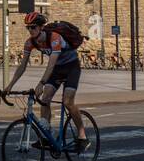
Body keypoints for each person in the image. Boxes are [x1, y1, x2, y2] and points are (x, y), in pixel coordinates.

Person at [5, 11, 89, 151]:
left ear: (41, 27)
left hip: (71, 68)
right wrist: (9, 85)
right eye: (28, 28)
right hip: (57, 70)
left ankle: (82, 136)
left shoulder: (54, 37)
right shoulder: (30, 42)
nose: (30, 30)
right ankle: (46, 137)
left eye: (33, 27)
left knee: (68, 101)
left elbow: (51, 63)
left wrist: (41, 83)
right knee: (45, 98)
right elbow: (22, 65)